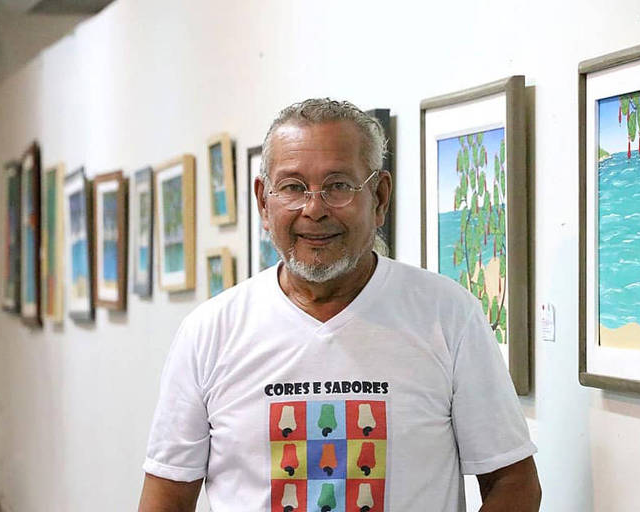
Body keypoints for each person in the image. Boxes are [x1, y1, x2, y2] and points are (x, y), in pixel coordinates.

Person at [138, 99, 541, 511]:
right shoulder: (210, 332)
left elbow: (514, 483)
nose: (314, 209)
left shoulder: (448, 316)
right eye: (293, 187)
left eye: (339, 186)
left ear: (380, 197)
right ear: (263, 200)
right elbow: (166, 496)